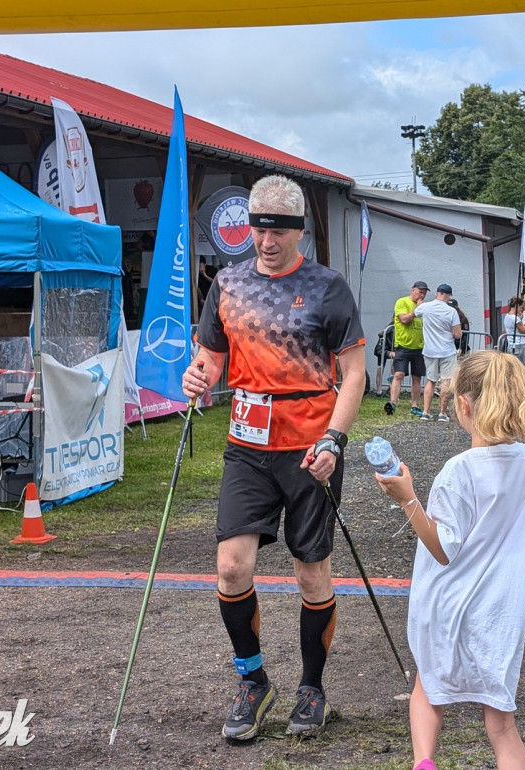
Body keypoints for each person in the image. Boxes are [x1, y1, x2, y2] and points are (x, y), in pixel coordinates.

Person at [181, 175, 365, 741]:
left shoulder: (328, 286)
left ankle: (312, 687)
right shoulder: (227, 284)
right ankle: (253, 680)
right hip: (248, 445)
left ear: (298, 230)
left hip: (312, 446)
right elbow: (210, 358)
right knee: (232, 566)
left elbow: (355, 374)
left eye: (278, 227)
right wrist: (197, 376)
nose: (266, 237)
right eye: (258, 224)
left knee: (311, 573)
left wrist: (334, 440)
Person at [372, 350, 525, 770]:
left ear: (463, 404)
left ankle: (424, 763)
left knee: (429, 689)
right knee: (501, 723)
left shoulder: (457, 470)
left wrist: (407, 498)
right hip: (498, 614)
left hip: (443, 607)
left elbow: (442, 548)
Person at [415, 284, 462, 421]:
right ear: (449, 296)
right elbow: (458, 334)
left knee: (431, 380)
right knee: (446, 381)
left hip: (430, 350)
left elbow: (415, 313)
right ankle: (442, 413)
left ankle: (426, 411)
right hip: (447, 350)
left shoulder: (426, 307)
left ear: (437, 294)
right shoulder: (451, 311)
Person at [387, 281, 429, 417]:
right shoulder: (402, 302)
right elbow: (404, 319)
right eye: (420, 292)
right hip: (403, 345)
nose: (422, 295)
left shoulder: (425, 307)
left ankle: (415, 405)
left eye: (424, 293)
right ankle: (393, 403)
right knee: (399, 374)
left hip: (419, 347)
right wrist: (416, 310)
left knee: (417, 377)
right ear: (413, 290)